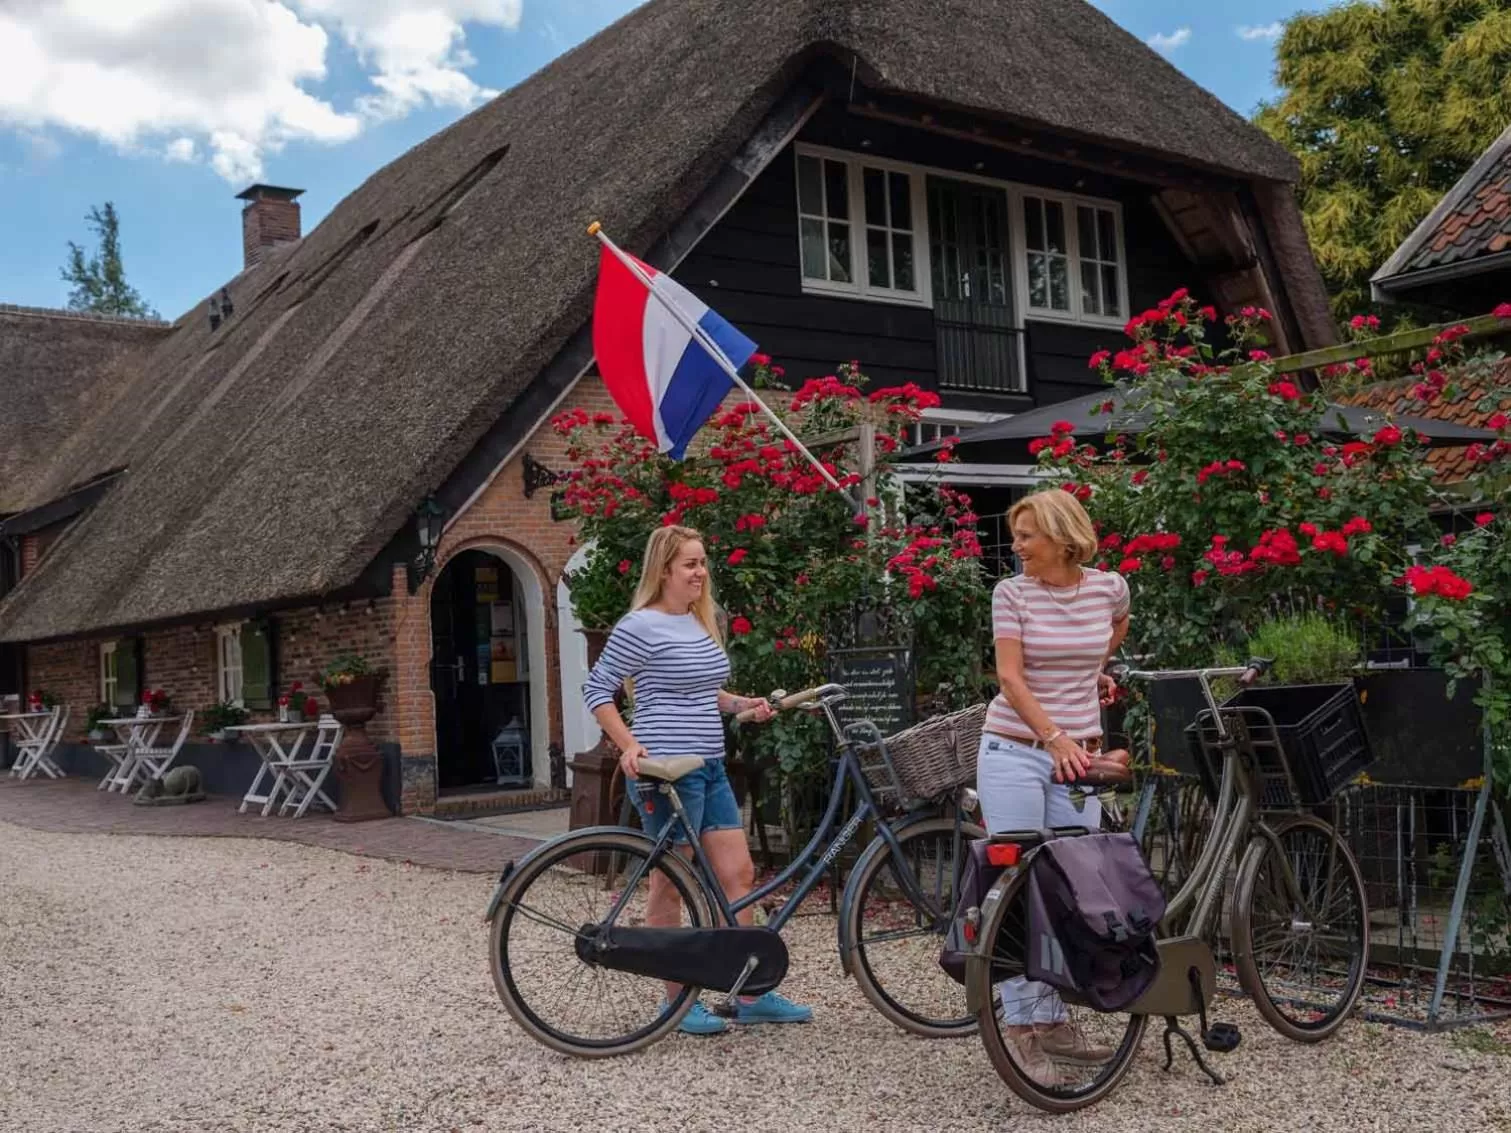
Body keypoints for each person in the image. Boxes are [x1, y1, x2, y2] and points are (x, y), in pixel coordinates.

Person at [582, 524, 813, 1035]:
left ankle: (749, 992)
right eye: (690, 564)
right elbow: (598, 690)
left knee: (739, 877)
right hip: (667, 771)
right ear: (664, 570)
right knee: (670, 883)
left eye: (703, 562)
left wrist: (742, 706)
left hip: (709, 766)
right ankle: (677, 1003)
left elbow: (705, 692)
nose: (701, 572)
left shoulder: (696, 621)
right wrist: (629, 745)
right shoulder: (638, 626)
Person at [978, 489, 1130, 1083]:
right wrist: (1054, 738)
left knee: (1070, 889)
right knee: (1015, 888)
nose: (1017, 549)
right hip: (1016, 749)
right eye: (1015, 537)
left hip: (1079, 757)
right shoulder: (1011, 593)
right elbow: (1010, 677)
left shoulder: (1108, 587)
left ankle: (1054, 1014)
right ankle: (1021, 1027)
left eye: (1027, 537)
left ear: (1064, 538)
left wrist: (1095, 669)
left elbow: (1113, 625)